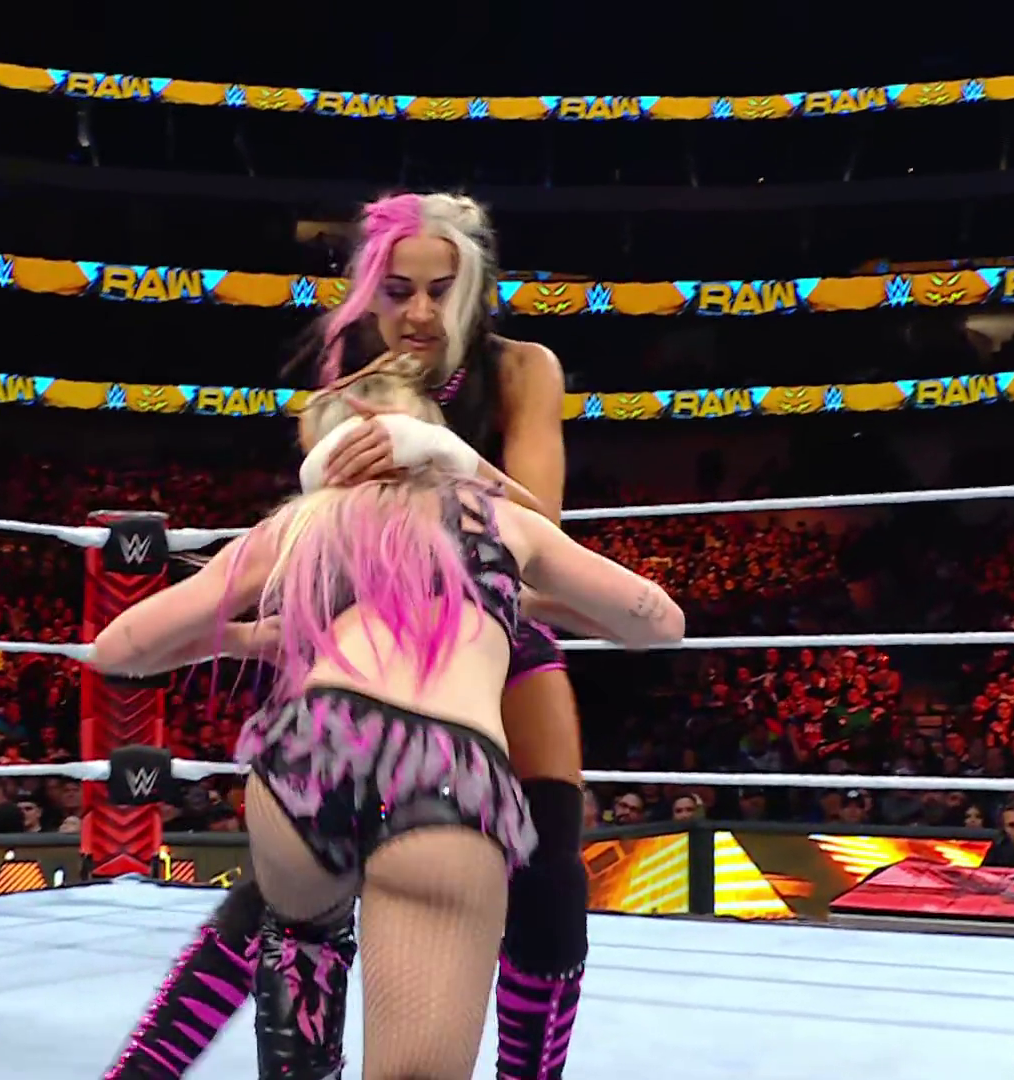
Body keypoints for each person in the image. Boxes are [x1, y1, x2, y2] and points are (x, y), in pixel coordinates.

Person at [106, 192, 595, 1080]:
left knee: (550, 872)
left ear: (474, 287)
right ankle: (142, 1070)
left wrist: (455, 459)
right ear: (369, 293)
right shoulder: (344, 390)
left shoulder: (523, 369)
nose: (419, 312)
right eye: (398, 290)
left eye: (440, 289)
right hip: (369, 641)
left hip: (496, 631)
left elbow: (542, 550)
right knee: (287, 886)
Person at [90, 370, 682, 1079]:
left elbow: (120, 649)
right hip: (443, 767)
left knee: (299, 941)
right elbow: (660, 623)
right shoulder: (499, 518)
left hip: (308, 753)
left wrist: (249, 639)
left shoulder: (302, 524)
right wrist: (490, 506)